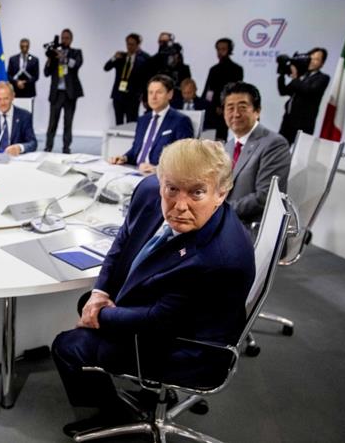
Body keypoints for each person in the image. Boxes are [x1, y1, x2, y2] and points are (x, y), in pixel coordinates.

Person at [52, 138, 255, 437]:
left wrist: (98, 316)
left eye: (197, 192)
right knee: (87, 300)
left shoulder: (220, 259)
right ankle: (148, 386)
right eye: (171, 189)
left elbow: (159, 321)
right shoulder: (150, 191)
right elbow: (124, 240)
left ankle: (109, 413)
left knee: (67, 346)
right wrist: (100, 293)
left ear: (221, 193)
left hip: (188, 346)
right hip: (167, 311)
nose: (180, 205)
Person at [222, 81, 291, 225]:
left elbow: (264, 197)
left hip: (252, 228)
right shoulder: (226, 147)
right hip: (226, 223)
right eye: (230, 108)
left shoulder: (274, 143)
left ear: (257, 111)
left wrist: (220, 211)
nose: (236, 114)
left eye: (242, 107)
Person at [109, 74, 193, 174]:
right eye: (150, 92)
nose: (153, 97)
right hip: (134, 171)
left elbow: (184, 159)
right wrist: (124, 157)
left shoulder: (180, 121)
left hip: (157, 176)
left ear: (170, 94)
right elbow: (136, 149)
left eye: (159, 92)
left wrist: (157, 169)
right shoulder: (143, 120)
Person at [277, 47, 330, 143]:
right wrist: (281, 74)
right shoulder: (302, 75)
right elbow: (283, 91)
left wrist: (295, 77)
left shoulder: (323, 78)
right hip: (288, 121)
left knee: (299, 155)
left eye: (316, 59)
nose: (312, 61)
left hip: (303, 124)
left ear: (322, 64)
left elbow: (309, 91)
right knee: (280, 150)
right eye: (311, 58)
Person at [44, 28, 83, 154]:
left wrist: (63, 57)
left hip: (70, 93)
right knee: (52, 122)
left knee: (68, 122)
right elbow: (46, 73)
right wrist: (50, 58)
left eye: (67, 38)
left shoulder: (76, 52)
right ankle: (48, 146)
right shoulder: (55, 54)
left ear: (71, 39)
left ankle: (66, 147)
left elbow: (76, 65)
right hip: (56, 93)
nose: (64, 40)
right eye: (62, 38)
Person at [202, 38, 244, 140]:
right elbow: (208, 91)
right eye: (218, 49)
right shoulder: (213, 69)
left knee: (220, 140)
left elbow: (234, 91)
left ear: (229, 50)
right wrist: (204, 104)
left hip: (225, 109)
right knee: (206, 140)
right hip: (210, 110)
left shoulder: (236, 69)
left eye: (223, 49)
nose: (220, 52)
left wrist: (223, 105)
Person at [104, 33, 150, 125]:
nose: (129, 47)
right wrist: (114, 58)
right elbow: (106, 68)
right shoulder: (121, 57)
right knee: (119, 121)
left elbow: (146, 79)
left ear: (138, 45)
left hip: (133, 96)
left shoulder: (143, 59)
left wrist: (144, 95)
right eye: (128, 44)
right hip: (118, 94)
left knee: (131, 121)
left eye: (132, 44)